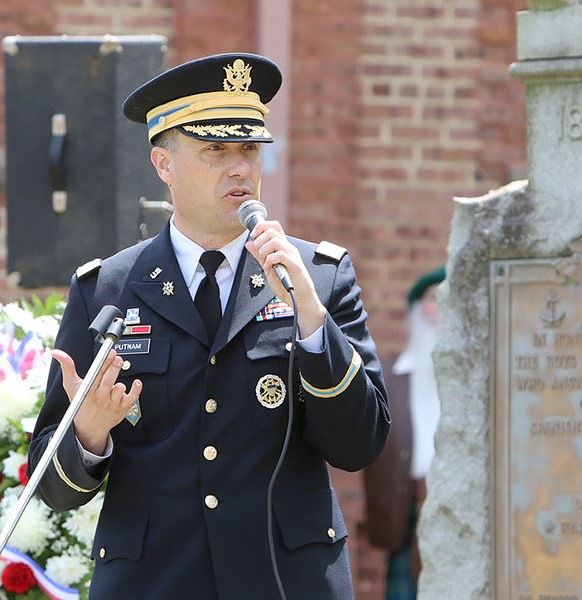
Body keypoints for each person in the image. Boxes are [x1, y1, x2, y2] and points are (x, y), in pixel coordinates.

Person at [29, 52, 390, 600]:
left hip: (286, 583)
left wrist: (314, 324)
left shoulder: (318, 276)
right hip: (153, 583)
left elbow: (360, 445)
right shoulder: (107, 289)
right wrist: (90, 433)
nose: (240, 167)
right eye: (214, 150)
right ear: (164, 165)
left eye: (249, 148)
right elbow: (51, 489)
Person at [362, 266, 444, 599]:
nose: (441, 309)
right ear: (416, 308)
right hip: (404, 510)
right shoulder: (388, 376)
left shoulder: (472, 378)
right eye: (434, 299)